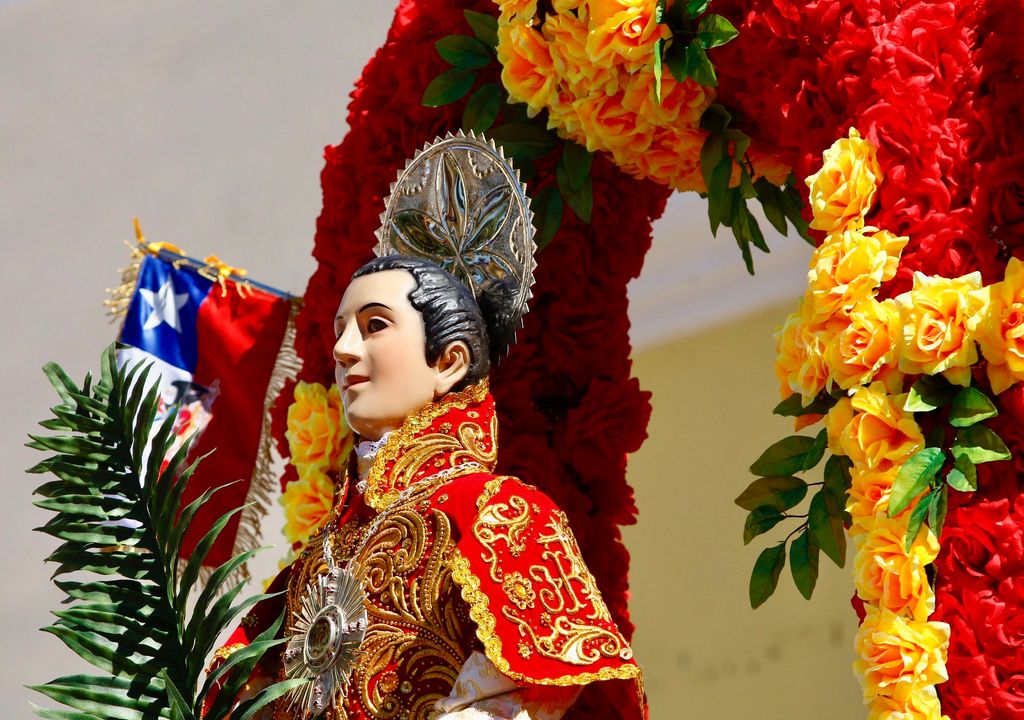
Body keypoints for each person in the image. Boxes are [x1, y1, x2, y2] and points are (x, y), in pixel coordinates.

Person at [208, 255, 645, 719]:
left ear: (448, 362)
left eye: (373, 325)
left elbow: (532, 688)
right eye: (339, 331)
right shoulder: (322, 553)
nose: (343, 350)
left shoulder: (498, 512)